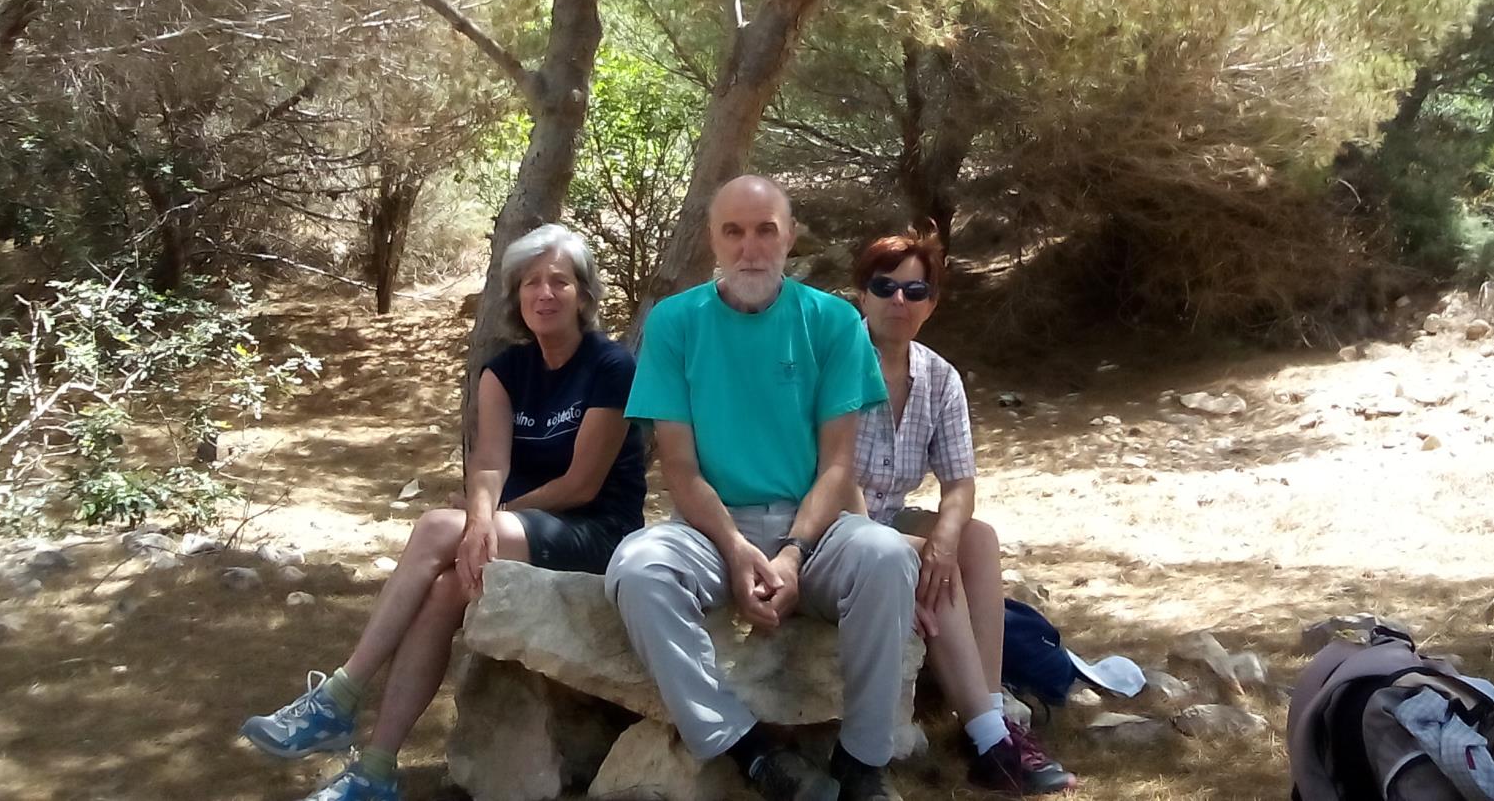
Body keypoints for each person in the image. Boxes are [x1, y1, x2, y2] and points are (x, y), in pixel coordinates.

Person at [238, 223, 647, 801]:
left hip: (596, 533)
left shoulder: (612, 367)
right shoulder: (504, 371)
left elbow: (581, 485)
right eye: (531, 282)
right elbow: (488, 464)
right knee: (443, 589)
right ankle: (377, 769)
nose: (545, 293)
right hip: (517, 528)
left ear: (583, 294)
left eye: (560, 281)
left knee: (437, 526)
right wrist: (480, 521)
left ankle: (339, 696)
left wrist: (483, 521)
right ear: (516, 296)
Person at [605, 175, 918, 801]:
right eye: (734, 232)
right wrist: (734, 548)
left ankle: (862, 762)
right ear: (713, 240)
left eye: (765, 231)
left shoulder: (834, 322)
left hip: (815, 531)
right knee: (637, 569)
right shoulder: (674, 323)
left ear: (790, 236)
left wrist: (793, 554)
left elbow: (837, 466)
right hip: (711, 530)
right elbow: (679, 468)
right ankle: (749, 752)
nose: (750, 248)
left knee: (887, 556)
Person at [850, 227, 1076, 795]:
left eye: (915, 291)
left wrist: (946, 539)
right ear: (861, 295)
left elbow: (959, 482)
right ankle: (991, 741)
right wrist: (913, 559)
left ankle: (990, 711)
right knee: (927, 561)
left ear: (932, 303)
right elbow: (824, 475)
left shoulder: (938, 377)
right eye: (885, 287)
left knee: (977, 537)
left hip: (889, 515)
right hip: (834, 522)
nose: (899, 301)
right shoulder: (834, 364)